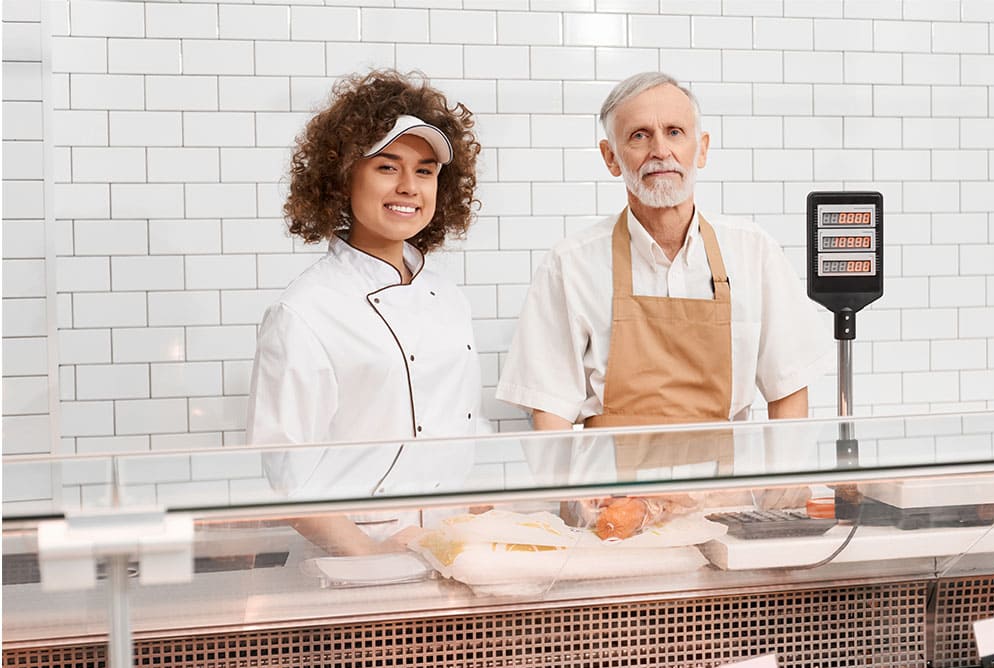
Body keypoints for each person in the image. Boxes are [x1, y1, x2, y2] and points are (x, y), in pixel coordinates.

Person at [496, 71, 825, 432]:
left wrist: (785, 480)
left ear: (701, 149)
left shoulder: (754, 252)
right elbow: (549, 409)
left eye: (674, 132)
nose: (660, 151)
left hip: (723, 485)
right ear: (611, 158)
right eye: (639, 136)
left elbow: (788, 390)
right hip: (613, 485)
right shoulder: (569, 264)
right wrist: (566, 490)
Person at [246, 69, 482, 558]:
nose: (409, 187)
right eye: (386, 166)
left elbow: (461, 433)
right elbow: (289, 476)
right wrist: (372, 558)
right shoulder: (305, 310)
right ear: (343, 175)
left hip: (449, 555)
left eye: (424, 171)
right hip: (351, 566)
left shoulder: (451, 300)